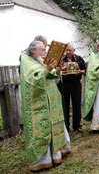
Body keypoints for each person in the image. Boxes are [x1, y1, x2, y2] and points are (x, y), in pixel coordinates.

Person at [20, 41, 70, 172]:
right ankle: (43, 160)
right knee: (43, 129)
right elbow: (33, 81)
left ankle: (56, 154)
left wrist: (57, 69)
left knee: (55, 125)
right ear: (33, 51)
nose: (45, 52)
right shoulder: (27, 62)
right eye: (43, 50)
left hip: (51, 99)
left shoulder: (40, 61)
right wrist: (48, 68)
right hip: (39, 104)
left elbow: (49, 76)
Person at [61, 44, 85, 133]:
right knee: (65, 106)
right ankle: (66, 127)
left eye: (69, 50)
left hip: (76, 84)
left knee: (77, 104)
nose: (67, 52)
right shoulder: (61, 59)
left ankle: (77, 126)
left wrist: (80, 72)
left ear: (73, 50)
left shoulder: (79, 59)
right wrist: (61, 71)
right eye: (66, 50)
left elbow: (85, 70)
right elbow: (56, 71)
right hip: (64, 85)